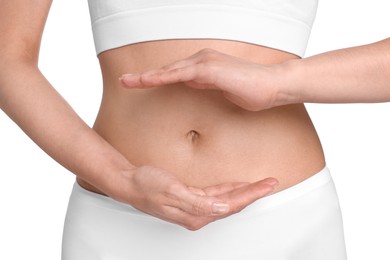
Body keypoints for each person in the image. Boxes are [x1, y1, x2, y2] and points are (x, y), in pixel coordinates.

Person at [1, 0, 385, 259]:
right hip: (115, 217)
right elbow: (7, 60)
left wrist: (280, 81)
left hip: (285, 218)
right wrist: (122, 179)